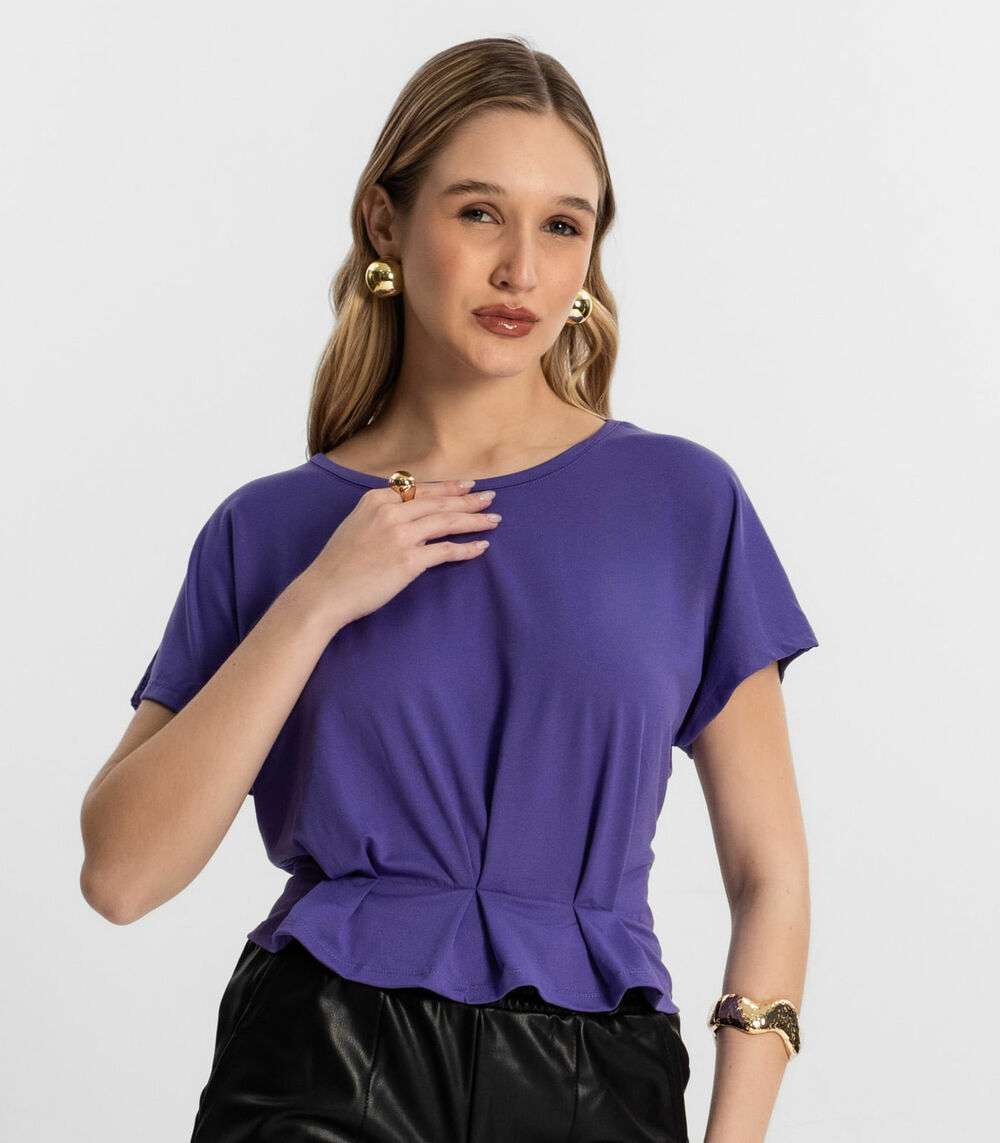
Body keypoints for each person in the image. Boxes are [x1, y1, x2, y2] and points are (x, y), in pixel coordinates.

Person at [80, 35, 818, 1143]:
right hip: (322, 1061)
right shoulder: (267, 529)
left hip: (597, 1076)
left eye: (562, 226)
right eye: (479, 213)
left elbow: (770, 874)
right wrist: (320, 597)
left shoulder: (683, 503)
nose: (521, 269)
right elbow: (121, 875)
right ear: (384, 223)